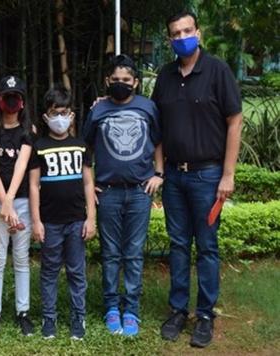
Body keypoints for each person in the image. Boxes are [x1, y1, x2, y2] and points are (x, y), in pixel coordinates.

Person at [152, 10, 243, 348]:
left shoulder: (217, 71)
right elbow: (156, 128)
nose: (182, 37)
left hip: (208, 175)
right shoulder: (165, 76)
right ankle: (178, 309)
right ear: (169, 39)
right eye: (175, 33)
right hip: (175, 176)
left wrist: (227, 174)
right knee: (178, 245)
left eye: (187, 31)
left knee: (206, 246)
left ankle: (205, 314)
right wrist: (160, 170)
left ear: (198, 33)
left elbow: (235, 121)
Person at [83, 54, 163, 337]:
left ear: (136, 83)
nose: (121, 84)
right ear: (107, 81)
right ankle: (111, 307)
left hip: (140, 192)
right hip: (108, 193)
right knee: (111, 254)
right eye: (115, 80)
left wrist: (159, 174)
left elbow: (157, 143)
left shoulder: (148, 107)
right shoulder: (97, 110)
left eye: (126, 80)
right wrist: (88, 183)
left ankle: (131, 310)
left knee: (133, 254)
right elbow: (86, 150)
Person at [29, 88, 96, 340]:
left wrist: (91, 217)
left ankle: (78, 318)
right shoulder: (40, 147)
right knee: (49, 271)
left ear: (72, 115)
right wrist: (36, 221)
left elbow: (88, 182)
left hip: (76, 220)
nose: (60, 117)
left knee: (77, 271)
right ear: (46, 116)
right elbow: (34, 185)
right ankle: (49, 318)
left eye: (64, 112)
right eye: (55, 113)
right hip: (50, 221)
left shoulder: (80, 146)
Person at [0, 75, 36, 337]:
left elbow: (21, 166)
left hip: (21, 200)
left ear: (23, 102)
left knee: (22, 258)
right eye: (7, 97)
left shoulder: (29, 132)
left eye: (16, 97)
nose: (12, 101)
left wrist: (10, 204)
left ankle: (22, 311)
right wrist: (4, 204)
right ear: (0, 100)